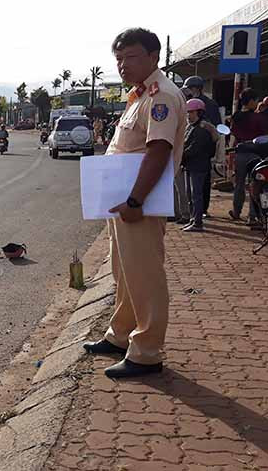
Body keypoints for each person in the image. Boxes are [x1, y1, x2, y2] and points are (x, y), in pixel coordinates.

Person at [83, 28, 185, 378]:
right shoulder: (138, 96)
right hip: (123, 204)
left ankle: (147, 352)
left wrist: (135, 199)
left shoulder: (161, 97)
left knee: (145, 277)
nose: (123, 64)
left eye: (131, 56)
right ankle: (122, 335)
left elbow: (158, 152)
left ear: (155, 56)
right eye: (119, 58)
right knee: (124, 273)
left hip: (138, 203)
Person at [182, 76, 221, 218]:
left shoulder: (206, 106)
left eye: (190, 89)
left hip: (202, 145)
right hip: (197, 148)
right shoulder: (190, 104)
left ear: (197, 89)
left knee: (199, 186)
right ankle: (198, 212)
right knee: (197, 187)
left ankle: (200, 213)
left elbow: (216, 125)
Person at [229, 88, 264, 224]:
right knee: (254, 185)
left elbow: (232, 135)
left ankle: (236, 211)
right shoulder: (257, 117)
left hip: (240, 153)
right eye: (255, 101)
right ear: (250, 101)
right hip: (255, 154)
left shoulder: (236, 116)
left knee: (239, 185)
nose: (257, 103)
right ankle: (252, 216)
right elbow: (262, 136)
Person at [181, 99, 216, 232]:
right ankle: (192, 219)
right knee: (190, 195)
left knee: (196, 195)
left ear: (199, 112)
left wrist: (180, 155)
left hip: (198, 166)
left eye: (191, 112)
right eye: (187, 112)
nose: (189, 115)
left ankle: (197, 222)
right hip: (190, 165)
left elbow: (194, 149)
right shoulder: (191, 127)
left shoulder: (202, 128)